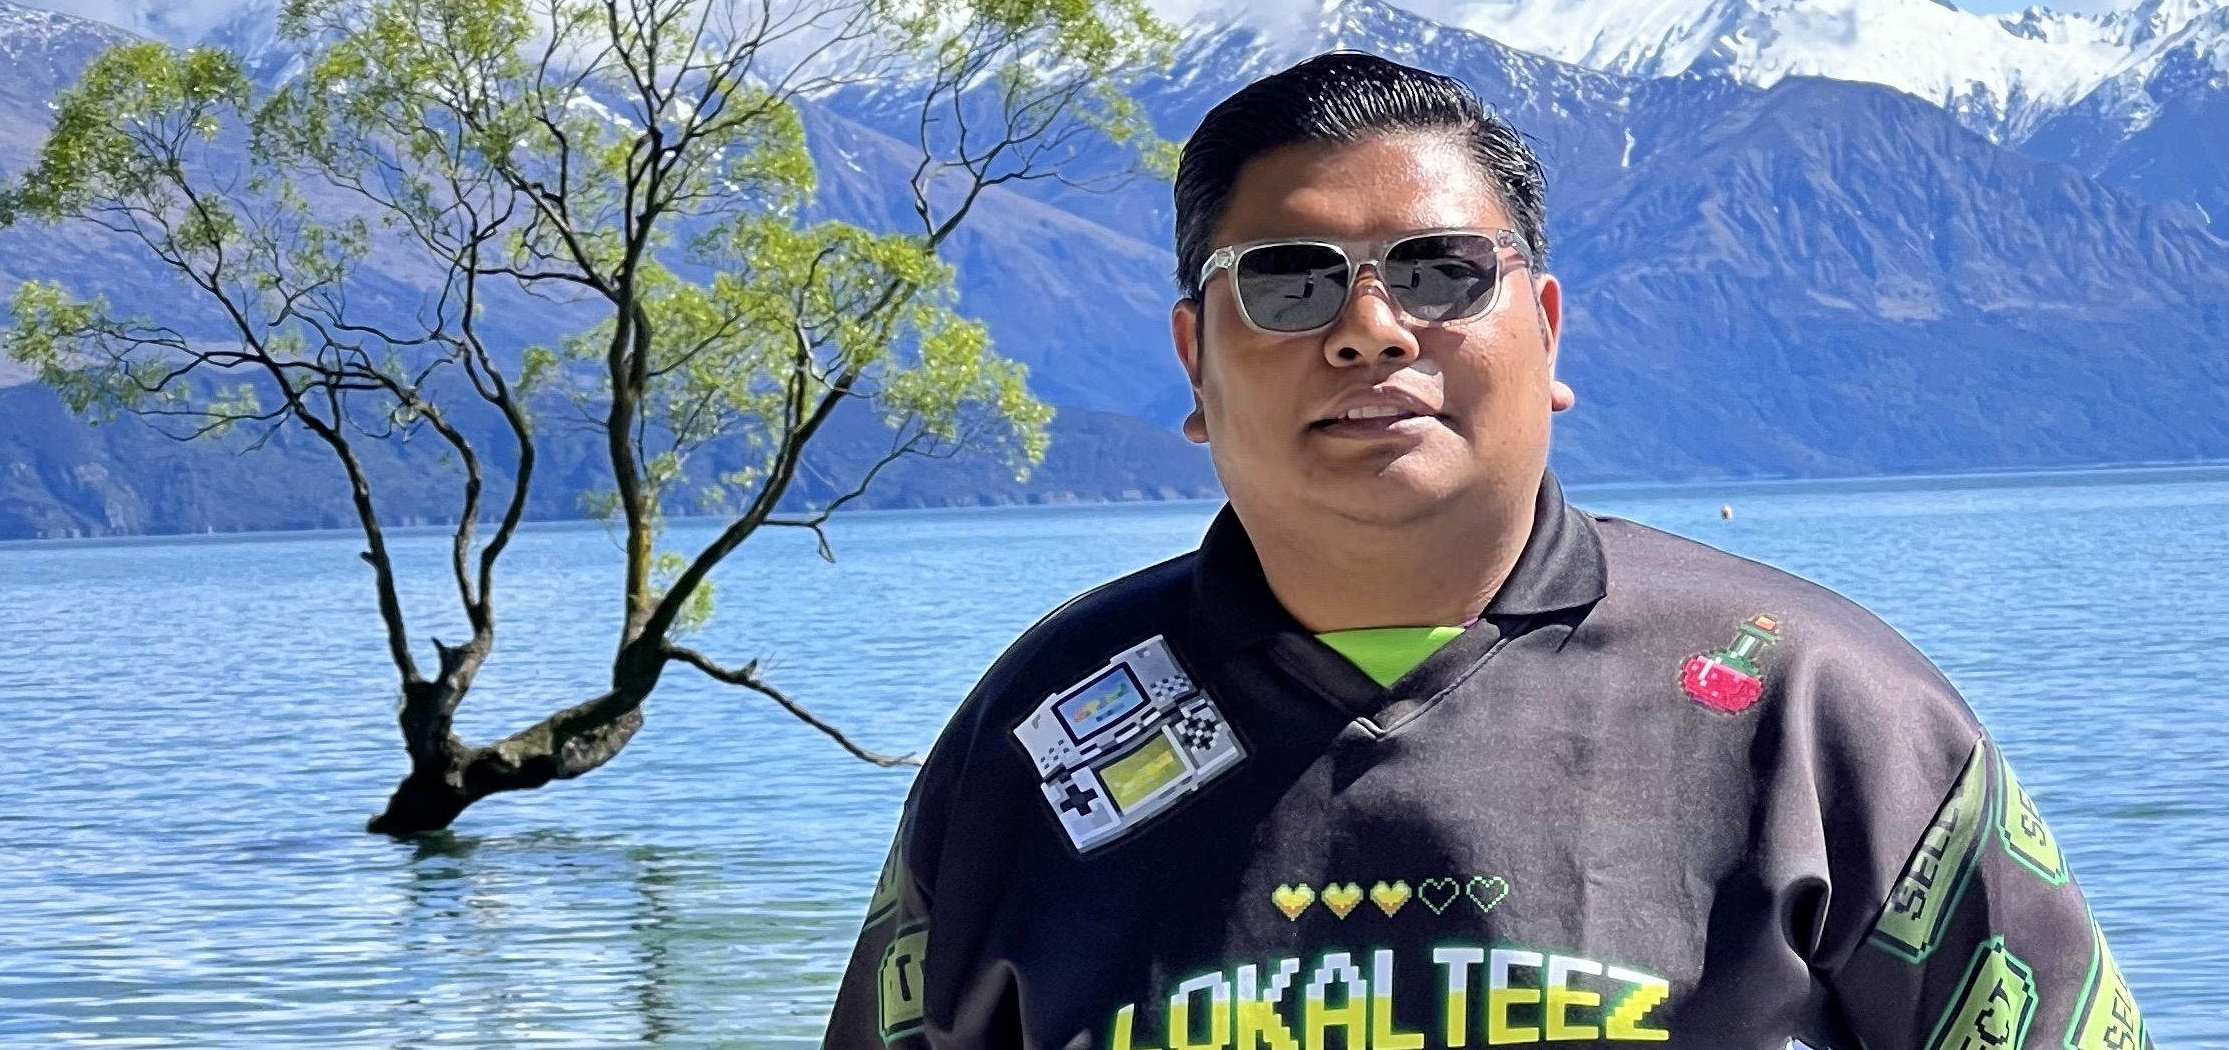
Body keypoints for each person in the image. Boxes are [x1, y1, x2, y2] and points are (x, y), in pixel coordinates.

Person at [825, 52, 2145, 1050]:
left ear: (1548, 329)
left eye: (1443, 270)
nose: (1372, 327)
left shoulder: (1824, 710)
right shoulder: (1035, 737)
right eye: (1289, 281)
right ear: (1194, 360)